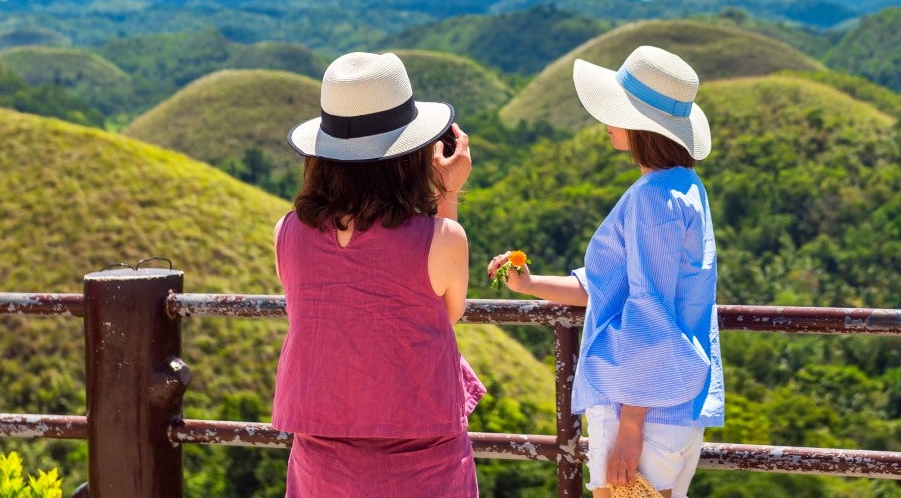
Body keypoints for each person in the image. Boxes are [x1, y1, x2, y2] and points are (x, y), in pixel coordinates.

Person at [489, 45, 723, 498]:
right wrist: (531, 284)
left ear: (639, 125)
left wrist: (630, 427)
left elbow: (649, 309)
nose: (606, 121)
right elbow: (610, 290)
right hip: (674, 404)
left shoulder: (652, 198)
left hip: (641, 411)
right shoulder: (685, 187)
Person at [272, 51, 481, 498]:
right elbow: (447, 313)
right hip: (423, 458)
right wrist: (447, 194)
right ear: (410, 153)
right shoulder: (443, 237)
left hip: (320, 456)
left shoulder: (287, 232)